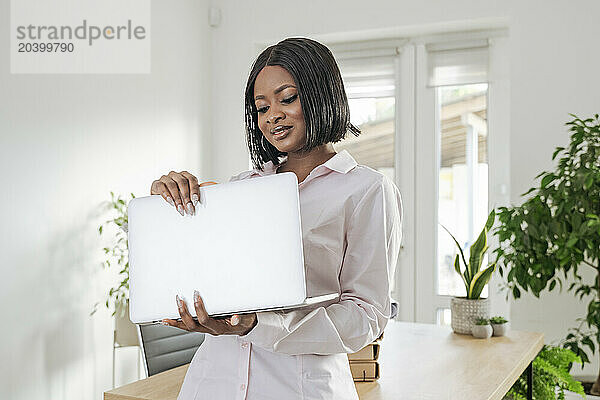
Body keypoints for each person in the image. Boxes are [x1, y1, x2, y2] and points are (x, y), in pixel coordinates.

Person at [150, 37, 403, 400]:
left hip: (300, 388)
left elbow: (367, 317)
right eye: (262, 107)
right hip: (211, 384)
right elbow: (201, 274)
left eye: (287, 99)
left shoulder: (366, 190)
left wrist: (259, 326)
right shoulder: (239, 188)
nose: (273, 116)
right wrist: (171, 198)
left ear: (321, 96)